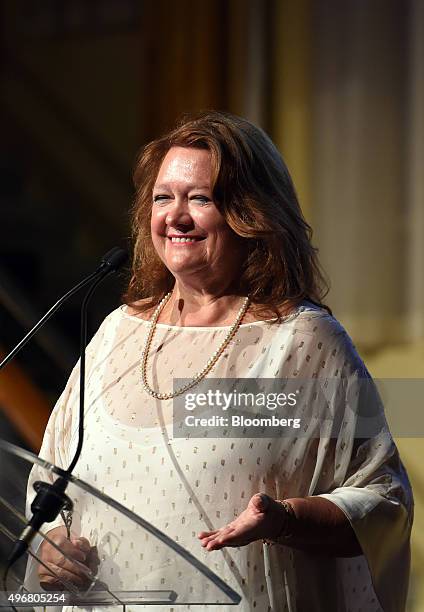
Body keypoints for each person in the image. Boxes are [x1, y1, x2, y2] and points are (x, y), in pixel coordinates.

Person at [25, 111, 413, 611]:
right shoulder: (117, 332)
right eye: (163, 197)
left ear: (253, 214)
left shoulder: (300, 342)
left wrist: (285, 520)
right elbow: (51, 481)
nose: (176, 216)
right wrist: (51, 543)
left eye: (201, 199)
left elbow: (383, 500)